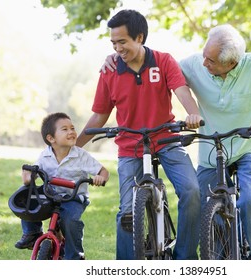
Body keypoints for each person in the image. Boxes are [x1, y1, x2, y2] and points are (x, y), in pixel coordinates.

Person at [102, 24, 251, 260]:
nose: (203, 64)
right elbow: (158, 67)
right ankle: (219, 259)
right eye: (204, 55)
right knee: (203, 203)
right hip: (213, 149)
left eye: (210, 61)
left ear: (231, 63)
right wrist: (120, 56)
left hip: (250, 146)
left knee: (250, 200)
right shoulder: (194, 64)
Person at [76, 9, 202, 260]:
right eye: (113, 43)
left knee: (192, 191)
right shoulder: (109, 71)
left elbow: (182, 90)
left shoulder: (164, 61)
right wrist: (75, 147)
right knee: (127, 211)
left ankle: (185, 259)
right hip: (130, 145)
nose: (117, 48)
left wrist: (193, 113)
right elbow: (100, 114)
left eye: (122, 41)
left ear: (140, 37)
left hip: (166, 139)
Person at [14, 112, 109, 260]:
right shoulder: (45, 155)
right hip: (51, 194)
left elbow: (103, 171)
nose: (71, 132)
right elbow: (34, 172)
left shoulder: (81, 155)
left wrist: (100, 177)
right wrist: (28, 177)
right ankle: (32, 234)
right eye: (65, 129)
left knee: (70, 220)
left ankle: (74, 255)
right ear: (51, 138)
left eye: (72, 128)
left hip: (74, 197)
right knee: (27, 198)